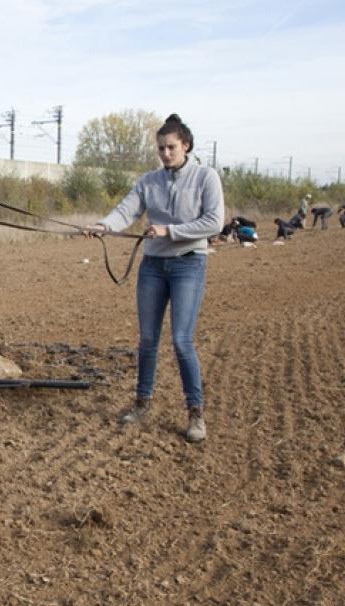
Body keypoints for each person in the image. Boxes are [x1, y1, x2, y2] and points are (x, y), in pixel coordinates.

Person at [86, 114, 223, 443]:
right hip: (153, 266)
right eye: (161, 148)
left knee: (181, 340)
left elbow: (215, 221)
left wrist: (170, 230)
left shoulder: (206, 177)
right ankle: (142, 404)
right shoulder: (149, 181)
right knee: (147, 340)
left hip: (189, 264)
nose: (165, 153)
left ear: (185, 146)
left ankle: (195, 413)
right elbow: (126, 209)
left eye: (171, 147)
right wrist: (104, 225)